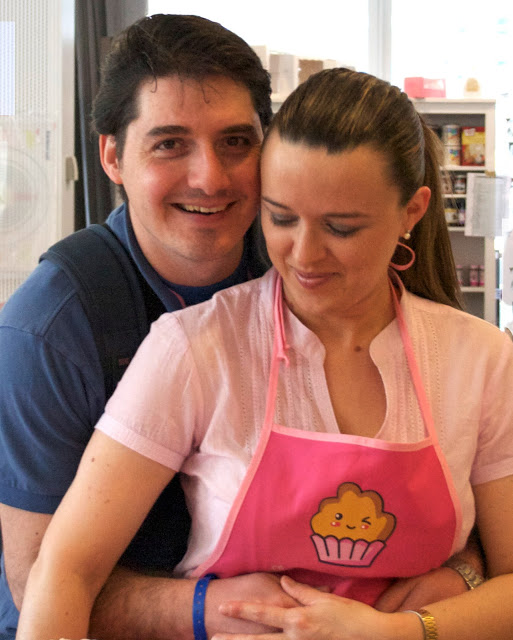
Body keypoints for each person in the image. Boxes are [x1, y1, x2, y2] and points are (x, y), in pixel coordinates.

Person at [15, 67, 513, 640]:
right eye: (280, 218)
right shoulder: (194, 348)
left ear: (412, 212)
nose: (304, 255)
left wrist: (398, 631)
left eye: (342, 228)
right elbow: (65, 570)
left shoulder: (480, 360)